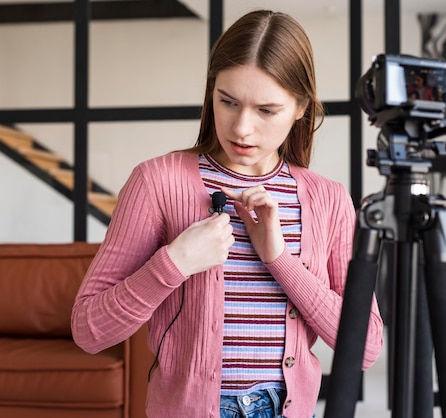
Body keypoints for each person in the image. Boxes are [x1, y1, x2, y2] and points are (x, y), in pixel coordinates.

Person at [71, 9, 384, 418]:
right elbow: (89, 330)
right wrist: (175, 262)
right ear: (211, 93)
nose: (241, 128)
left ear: (301, 107)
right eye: (228, 102)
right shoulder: (157, 182)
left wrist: (280, 260)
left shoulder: (328, 198)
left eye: (266, 110)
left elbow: (366, 348)